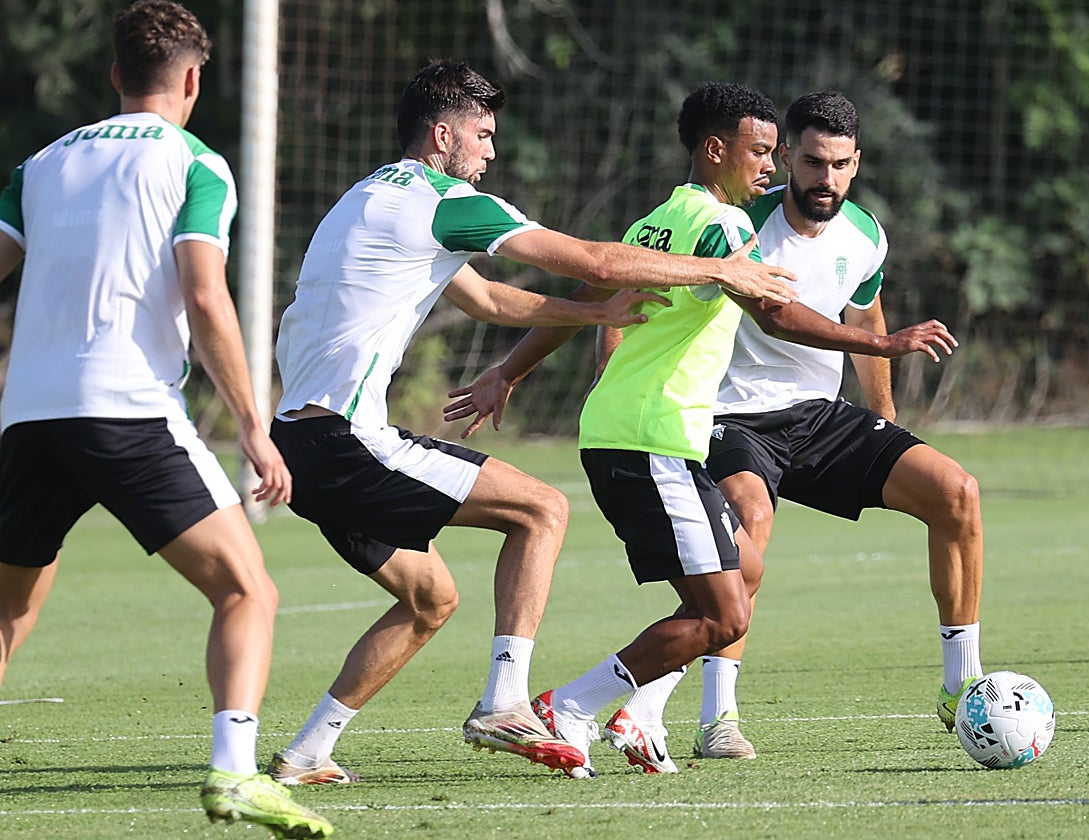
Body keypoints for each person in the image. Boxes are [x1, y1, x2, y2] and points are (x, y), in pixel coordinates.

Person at [264, 60, 800, 785]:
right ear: (442, 133)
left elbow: (486, 300)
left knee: (431, 601)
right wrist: (719, 272)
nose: (490, 151)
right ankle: (507, 702)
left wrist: (591, 315)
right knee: (542, 509)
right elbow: (593, 257)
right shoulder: (442, 201)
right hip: (346, 439)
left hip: (295, 443)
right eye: (482, 136)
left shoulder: (365, 198)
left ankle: (307, 752)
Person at [443, 81, 957, 777]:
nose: (771, 167)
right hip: (652, 437)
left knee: (743, 571)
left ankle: (639, 710)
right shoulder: (726, 229)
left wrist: (508, 371)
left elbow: (587, 297)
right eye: (761, 152)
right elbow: (775, 314)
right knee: (726, 616)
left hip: (642, 435)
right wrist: (881, 345)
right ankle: (572, 706)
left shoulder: (660, 220)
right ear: (716, 151)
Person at [0, 2, 332, 836]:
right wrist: (254, 423)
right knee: (246, 589)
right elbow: (203, 293)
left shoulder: (40, 163)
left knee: (8, 610)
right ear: (191, 78)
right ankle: (234, 775)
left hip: (30, 414)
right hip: (126, 411)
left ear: (114, 76)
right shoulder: (195, 162)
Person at [610, 91, 986, 769]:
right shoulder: (737, 219)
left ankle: (961, 683)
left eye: (841, 165)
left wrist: (885, 423)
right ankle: (716, 717)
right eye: (814, 162)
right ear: (787, 159)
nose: (828, 179)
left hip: (819, 415)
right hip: (730, 414)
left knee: (956, 491)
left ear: (857, 163)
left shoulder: (866, 234)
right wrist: (885, 346)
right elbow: (773, 315)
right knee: (750, 519)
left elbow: (864, 316)